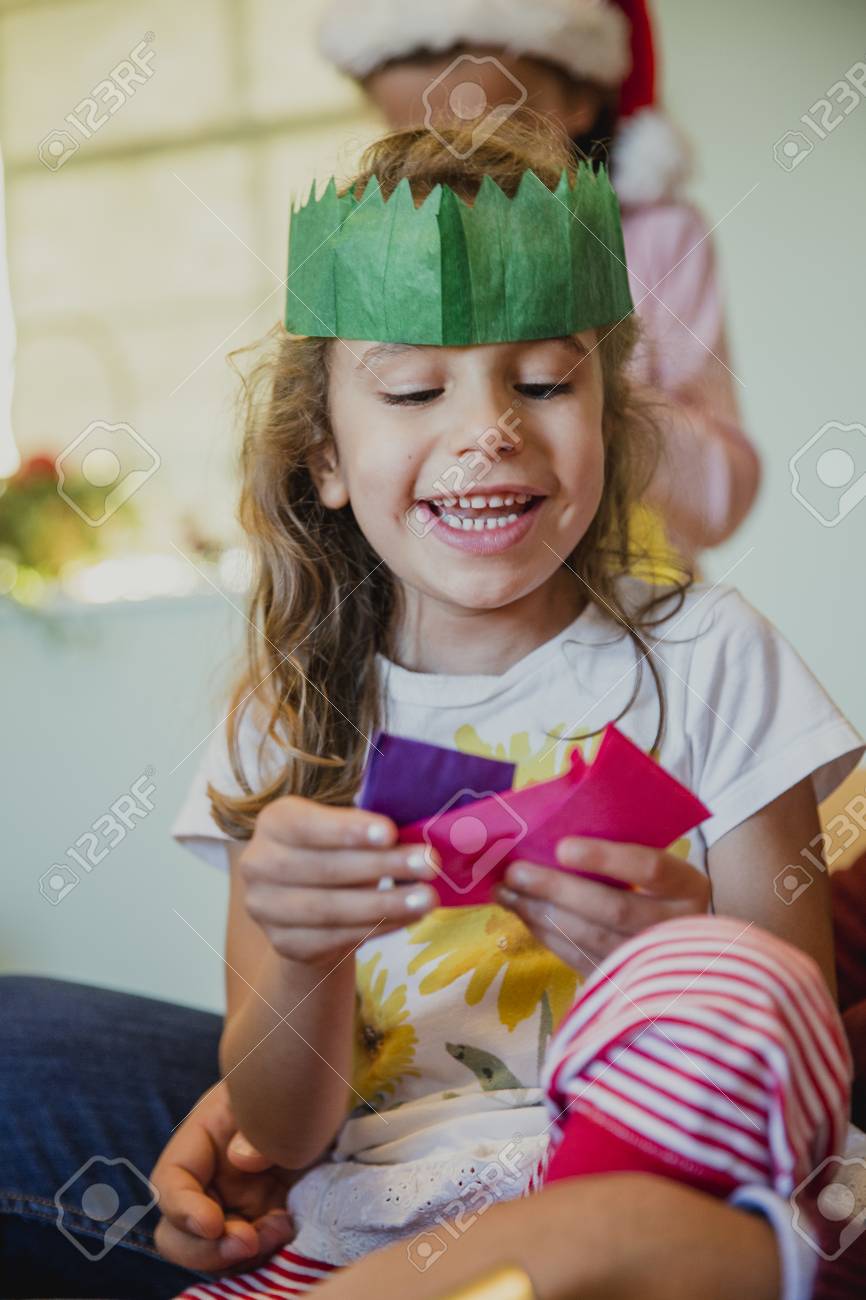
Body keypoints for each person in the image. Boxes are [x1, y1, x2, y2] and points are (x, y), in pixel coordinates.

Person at [151, 117, 861, 1298]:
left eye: (542, 382)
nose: (489, 429)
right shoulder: (287, 714)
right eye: (412, 389)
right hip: (364, 1225)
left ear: (609, 415)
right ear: (325, 456)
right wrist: (306, 957)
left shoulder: (711, 656)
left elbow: (796, 1035)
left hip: (652, 1194)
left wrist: (673, 949)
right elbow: (278, 1132)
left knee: (732, 986)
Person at [318, 0, 761, 571]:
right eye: (415, 140)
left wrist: (589, 394)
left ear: (579, 99)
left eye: (492, 133)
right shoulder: (375, 259)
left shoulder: (657, 237)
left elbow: (721, 500)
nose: (457, 176)